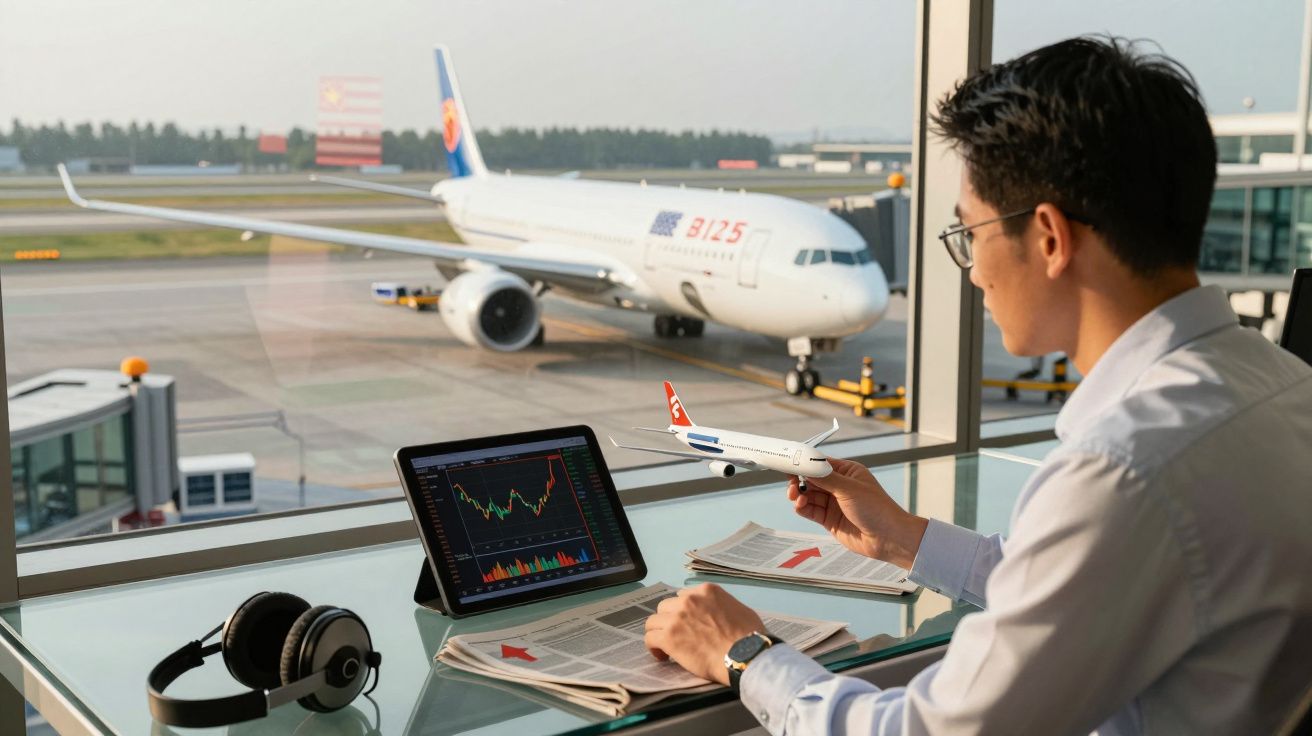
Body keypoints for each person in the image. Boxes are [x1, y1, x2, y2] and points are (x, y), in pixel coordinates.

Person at [642, 36, 1312, 735]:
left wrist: (745, 655)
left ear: (1049, 238)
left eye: (971, 234)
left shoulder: (1125, 470)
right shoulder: (1284, 386)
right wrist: (906, 538)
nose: (974, 272)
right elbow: (1090, 586)